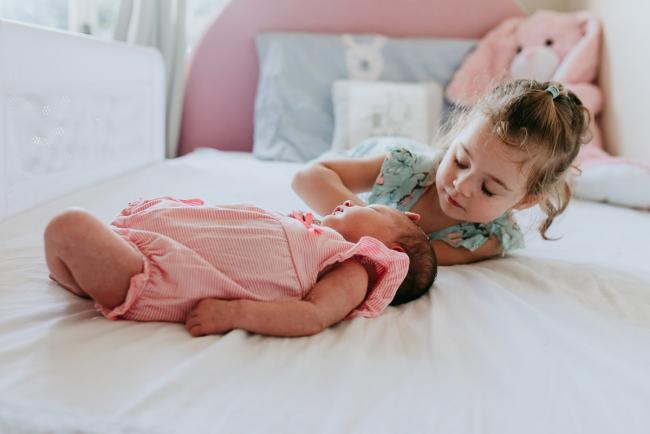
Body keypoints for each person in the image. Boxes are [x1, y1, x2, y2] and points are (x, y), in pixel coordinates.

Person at [292, 79, 592, 266]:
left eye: (489, 188)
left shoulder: (485, 240)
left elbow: (410, 258)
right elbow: (307, 177)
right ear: (456, 139)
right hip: (377, 154)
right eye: (461, 161)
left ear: (525, 200)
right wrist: (367, 220)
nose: (461, 184)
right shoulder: (407, 168)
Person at [43, 197, 437, 337]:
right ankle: (85, 278)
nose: (352, 203)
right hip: (150, 243)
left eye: (370, 208)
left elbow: (314, 315)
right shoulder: (312, 232)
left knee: (70, 225)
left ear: (392, 250)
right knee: (68, 234)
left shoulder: (355, 267)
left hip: (154, 272)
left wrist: (237, 314)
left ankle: (93, 276)